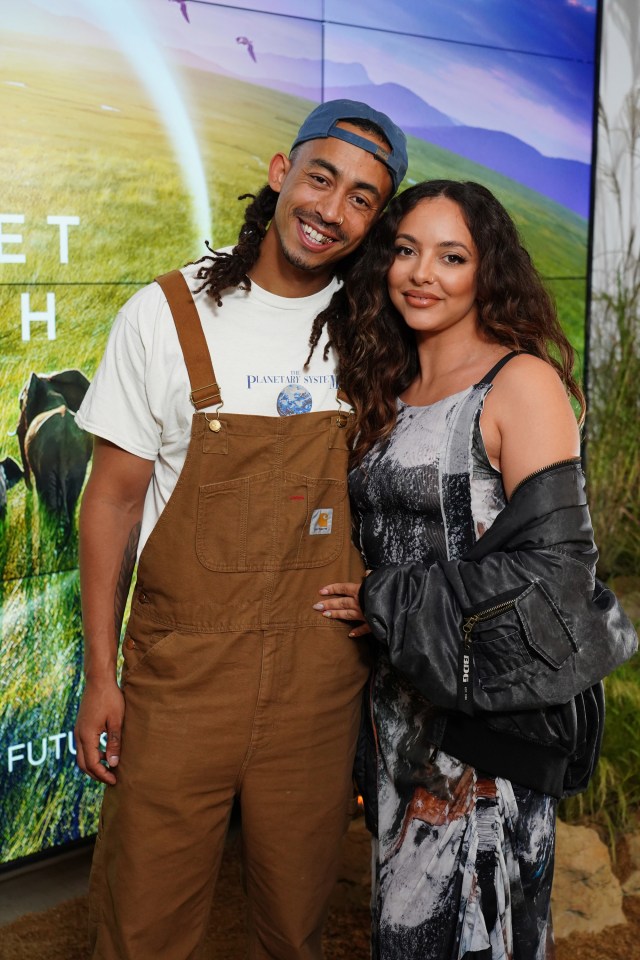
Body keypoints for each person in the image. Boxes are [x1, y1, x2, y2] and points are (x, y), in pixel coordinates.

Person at [73, 99, 408, 960]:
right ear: (279, 172)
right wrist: (100, 675)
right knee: (142, 922)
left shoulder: (379, 332)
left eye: (363, 198)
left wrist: (394, 602)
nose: (331, 210)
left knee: (294, 926)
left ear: (376, 220)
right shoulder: (166, 313)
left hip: (320, 681)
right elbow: (109, 502)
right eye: (322, 177)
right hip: (179, 677)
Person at [313, 180, 637, 959]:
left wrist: (387, 598)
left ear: (485, 271)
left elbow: (559, 578)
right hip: (398, 714)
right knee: (404, 933)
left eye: (451, 256)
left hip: (487, 724)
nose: (422, 273)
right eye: (405, 250)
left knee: (472, 935)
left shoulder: (519, 383)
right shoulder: (390, 388)